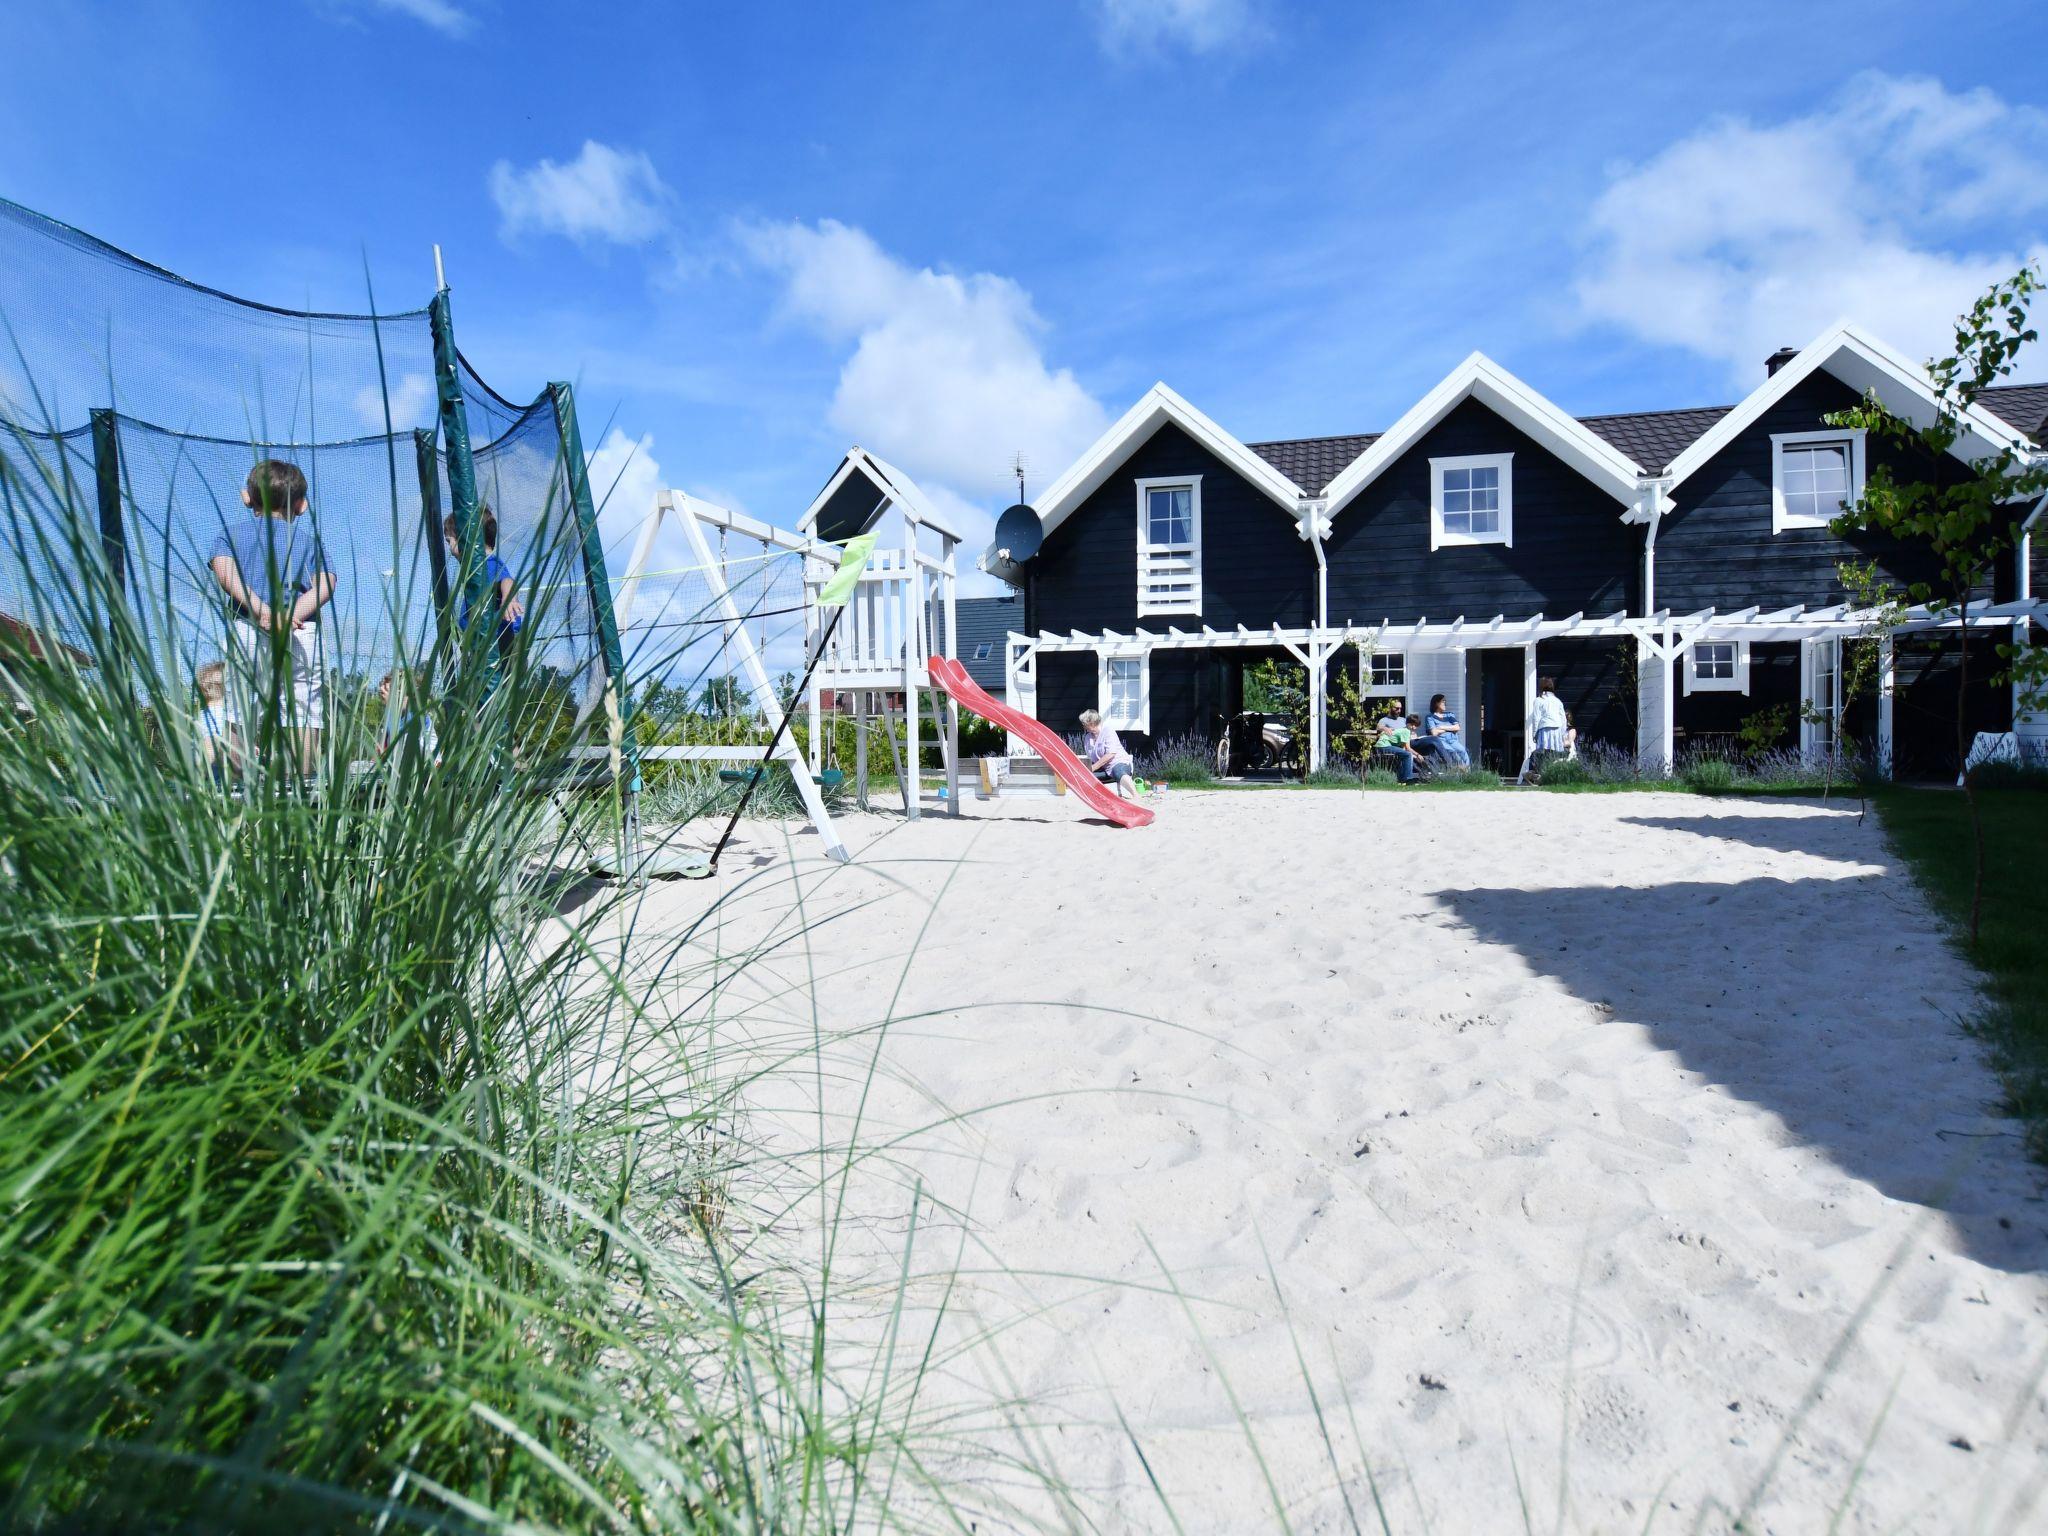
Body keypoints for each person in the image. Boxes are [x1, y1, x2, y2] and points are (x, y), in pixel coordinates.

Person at [208, 459, 335, 775]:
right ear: (301, 506)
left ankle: (240, 788)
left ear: (247, 498)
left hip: (248, 628)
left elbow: (224, 571)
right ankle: (300, 788)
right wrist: (289, 615)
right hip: (302, 631)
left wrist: (261, 610)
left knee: (238, 712)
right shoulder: (309, 542)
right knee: (304, 713)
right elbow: (327, 583)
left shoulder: (231, 535)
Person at [443, 508, 524, 638]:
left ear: (464, 540)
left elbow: (507, 581)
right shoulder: (481, 568)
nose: (450, 549)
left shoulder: (487, 564)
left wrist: (509, 600)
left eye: (449, 541)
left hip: (500, 642)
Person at [378, 667, 438, 763]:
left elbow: (402, 741)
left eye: (387, 688)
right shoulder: (390, 715)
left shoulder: (417, 715)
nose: (381, 690)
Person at [194, 660, 240, 778]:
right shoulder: (208, 715)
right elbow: (207, 742)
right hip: (215, 773)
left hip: (228, 770)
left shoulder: (229, 714)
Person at [1078, 708, 1135, 797]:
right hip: (1104, 769)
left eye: (1085, 724)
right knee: (1083, 776)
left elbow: (1110, 754)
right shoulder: (1088, 738)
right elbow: (1091, 758)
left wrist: (1093, 767)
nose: (1083, 726)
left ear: (1092, 723)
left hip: (1119, 763)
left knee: (1118, 771)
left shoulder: (1108, 731)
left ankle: (1136, 795)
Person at [1417, 692, 1469, 767]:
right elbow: (1434, 733)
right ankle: (1459, 770)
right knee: (1452, 752)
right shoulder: (1430, 717)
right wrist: (1450, 729)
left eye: (1445, 701)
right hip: (1441, 740)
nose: (1445, 703)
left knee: (1462, 751)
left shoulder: (1449, 714)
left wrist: (1440, 727)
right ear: (1436, 703)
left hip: (1452, 740)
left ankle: (1467, 769)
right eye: (1443, 701)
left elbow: (1457, 727)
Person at [1374, 710, 1424, 783]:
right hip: (1383, 746)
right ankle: (1407, 778)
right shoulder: (1406, 731)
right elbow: (1408, 748)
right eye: (1411, 724)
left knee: (1405, 755)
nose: (1413, 727)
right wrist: (1418, 755)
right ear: (1407, 723)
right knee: (1408, 755)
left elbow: (1404, 748)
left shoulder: (1404, 730)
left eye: (1416, 726)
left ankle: (1401, 778)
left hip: (1381, 746)